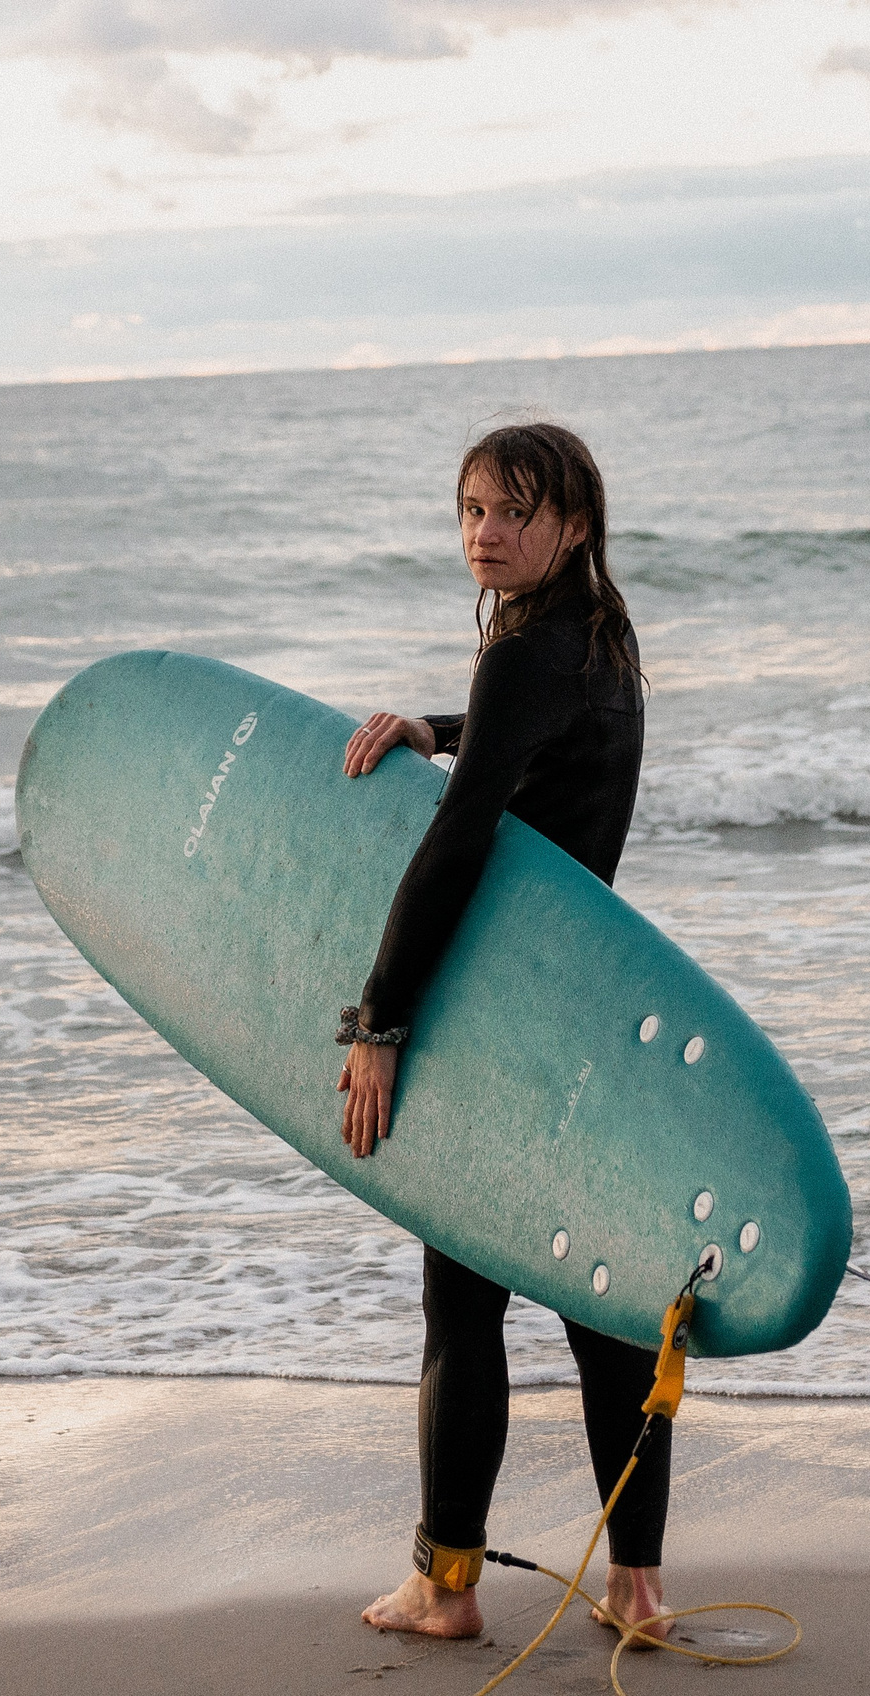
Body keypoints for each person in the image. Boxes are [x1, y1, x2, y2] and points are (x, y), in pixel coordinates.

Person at [334, 421, 665, 1646]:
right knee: (600, 1304)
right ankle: (636, 1586)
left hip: (499, 1017)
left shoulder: (523, 652)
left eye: (514, 512)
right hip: (578, 1013)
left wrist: (378, 1019)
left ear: (570, 526)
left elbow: (458, 839)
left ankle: (447, 1585)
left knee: (463, 1300)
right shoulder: (602, 640)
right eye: (472, 509)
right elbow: (532, 744)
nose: (485, 533)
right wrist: (440, 725)